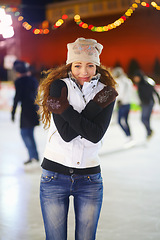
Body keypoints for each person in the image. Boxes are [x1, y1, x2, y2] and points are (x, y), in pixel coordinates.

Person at [36, 37, 118, 240]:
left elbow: (95, 135)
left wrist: (66, 109)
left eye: (90, 65)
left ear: (97, 65)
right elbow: (66, 134)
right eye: (78, 65)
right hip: (54, 176)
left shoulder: (106, 91)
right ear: (69, 65)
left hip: (89, 179)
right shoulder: (57, 87)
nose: (84, 71)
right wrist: (94, 109)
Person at [11, 60, 40, 165]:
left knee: (25, 133)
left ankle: (33, 156)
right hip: (33, 109)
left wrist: (13, 112)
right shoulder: (33, 80)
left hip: (26, 111)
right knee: (29, 134)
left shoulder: (19, 81)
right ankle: (34, 156)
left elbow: (17, 97)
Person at [133, 70, 160, 139]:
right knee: (145, 119)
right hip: (144, 103)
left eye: (136, 77)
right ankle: (149, 132)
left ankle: (149, 132)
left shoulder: (146, 82)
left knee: (144, 119)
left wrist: (158, 99)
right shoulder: (139, 83)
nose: (135, 79)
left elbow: (153, 91)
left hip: (148, 102)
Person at [112, 67, 134, 142]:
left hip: (122, 103)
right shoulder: (128, 81)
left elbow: (120, 92)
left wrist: (119, 100)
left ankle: (128, 135)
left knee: (119, 121)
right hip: (128, 103)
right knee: (126, 120)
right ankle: (129, 135)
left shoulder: (120, 81)